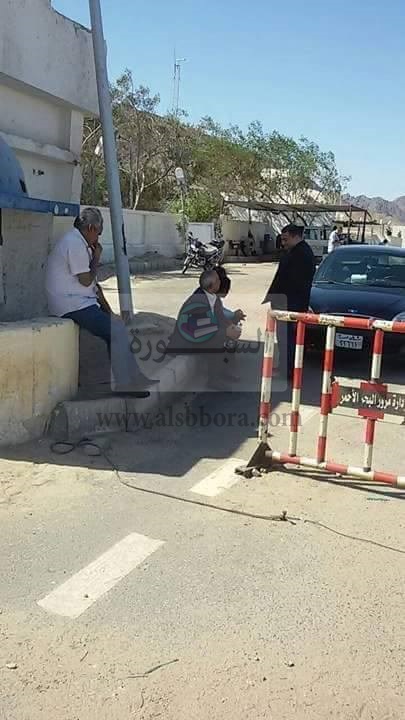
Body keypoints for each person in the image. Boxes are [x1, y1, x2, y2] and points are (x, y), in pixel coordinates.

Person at [45, 207, 153, 397]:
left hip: (81, 302)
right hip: (70, 304)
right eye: (99, 233)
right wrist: (96, 258)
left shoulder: (81, 244)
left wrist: (110, 313)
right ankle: (125, 384)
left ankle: (135, 377)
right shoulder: (74, 243)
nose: (98, 238)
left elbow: (95, 287)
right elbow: (86, 281)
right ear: (91, 228)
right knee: (116, 331)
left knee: (117, 327)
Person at [166, 269, 241, 388]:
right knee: (218, 340)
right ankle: (214, 379)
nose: (220, 282)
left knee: (228, 337)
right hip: (187, 340)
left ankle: (225, 370)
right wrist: (225, 332)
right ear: (212, 285)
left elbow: (220, 318)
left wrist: (231, 326)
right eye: (218, 280)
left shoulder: (213, 298)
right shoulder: (197, 301)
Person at [262, 224, 316, 377]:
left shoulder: (301, 254)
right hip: (288, 302)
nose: (283, 243)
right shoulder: (296, 251)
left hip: (290, 303)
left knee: (287, 338)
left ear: (295, 236)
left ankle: (288, 370)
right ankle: (286, 367)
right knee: (286, 338)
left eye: (285, 239)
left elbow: (292, 281)